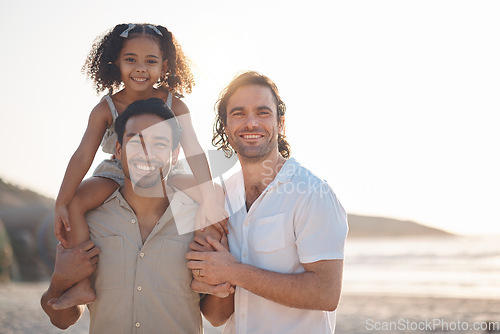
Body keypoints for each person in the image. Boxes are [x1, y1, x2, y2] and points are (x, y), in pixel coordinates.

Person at [51, 23, 227, 310]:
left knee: (213, 196)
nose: (140, 68)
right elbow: (83, 155)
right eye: (130, 59)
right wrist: (61, 201)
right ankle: (81, 282)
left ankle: (204, 273)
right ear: (115, 63)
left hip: (164, 168)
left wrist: (207, 197)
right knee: (76, 202)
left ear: (165, 66)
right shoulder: (106, 108)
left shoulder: (175, 105)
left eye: (151, 61)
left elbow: (193, 151)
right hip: (117, 170)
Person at [41, 98, 233, 333]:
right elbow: (62, 320)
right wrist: (59, 281)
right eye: (135, 142)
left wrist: (224, 280)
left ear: (175, 155)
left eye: (159, 144)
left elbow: (217, 316)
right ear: (118, 150)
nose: (146, 153)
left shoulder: (200, 219)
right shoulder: (89, 220)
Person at [186, 71, 349, 333]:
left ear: (280, 123)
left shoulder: (312, 193)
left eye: (262, 112)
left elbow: (326, 294)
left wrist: (233, 272)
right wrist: (214, 279)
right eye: (238, 113)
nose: (251, 123)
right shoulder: (221, 198)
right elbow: (217, 317)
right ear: (225, 128)